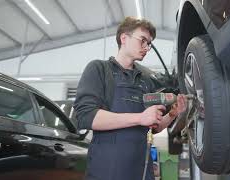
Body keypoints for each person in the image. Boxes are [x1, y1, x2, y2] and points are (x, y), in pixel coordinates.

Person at [74, 16, 188, 180]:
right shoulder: (99, 69)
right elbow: (86, 117)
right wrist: (140, 117)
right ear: (124, 38)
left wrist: (172, 115)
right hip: (107, 169)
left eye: (148, 43)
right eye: (142, 40)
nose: (146, 47)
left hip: (141, 168)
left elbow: (153, 127)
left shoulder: (146, 80)